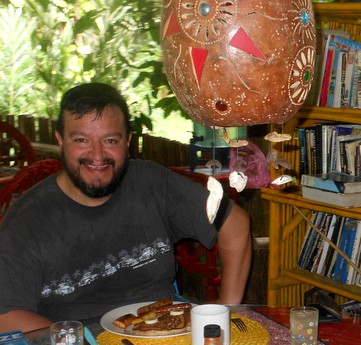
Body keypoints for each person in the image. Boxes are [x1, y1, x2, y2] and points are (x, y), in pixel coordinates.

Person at [0, 83, 252, 332]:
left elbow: (235, 223)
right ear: (61, 141)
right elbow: (6, 316)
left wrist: (225, 308)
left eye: (110, 140)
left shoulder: (151, 183)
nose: (97, 155)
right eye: (81, 140)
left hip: (168, 338)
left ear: (127, 141)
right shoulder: (28, 219)